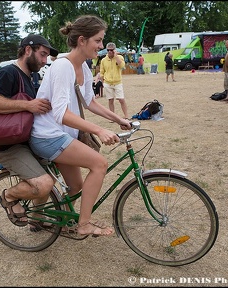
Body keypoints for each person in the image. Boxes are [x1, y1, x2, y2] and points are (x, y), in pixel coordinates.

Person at [29, 15, 131, 237]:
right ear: (82, 40)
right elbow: (60, 113)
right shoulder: (63, 66)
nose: (102, 46)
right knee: (99, 164)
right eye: (98, 40)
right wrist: (98, 129)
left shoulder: (83, 67)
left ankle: (51, 219)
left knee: (76, 187)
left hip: (61, 136)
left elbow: (90, 102)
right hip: (47, 136)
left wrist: (118, 119)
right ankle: (83, 225)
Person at [0, 34, 58, 228]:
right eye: (42, 54)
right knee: (44, 184)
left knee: (53, 175)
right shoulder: (8, 72)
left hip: (28, 141)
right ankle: (7, 196)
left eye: (47, 56)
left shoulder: (30, 76)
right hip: (11, 146)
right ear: (27, 50)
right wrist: (28, 105)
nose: (44, 60)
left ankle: (36, 220)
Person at [100, 42, 129, 119]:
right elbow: (102, 72)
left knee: (121, 99)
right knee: (110, 100)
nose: (109, 51)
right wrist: (103, 82)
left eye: (111, 50)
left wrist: (116, 57)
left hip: (117, 82)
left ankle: (126, 115)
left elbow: (122, 66)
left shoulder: (119, 57)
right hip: (107, 83)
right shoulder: (103, 60)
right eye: (108, 50)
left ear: (115, 50)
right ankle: (113, 117)